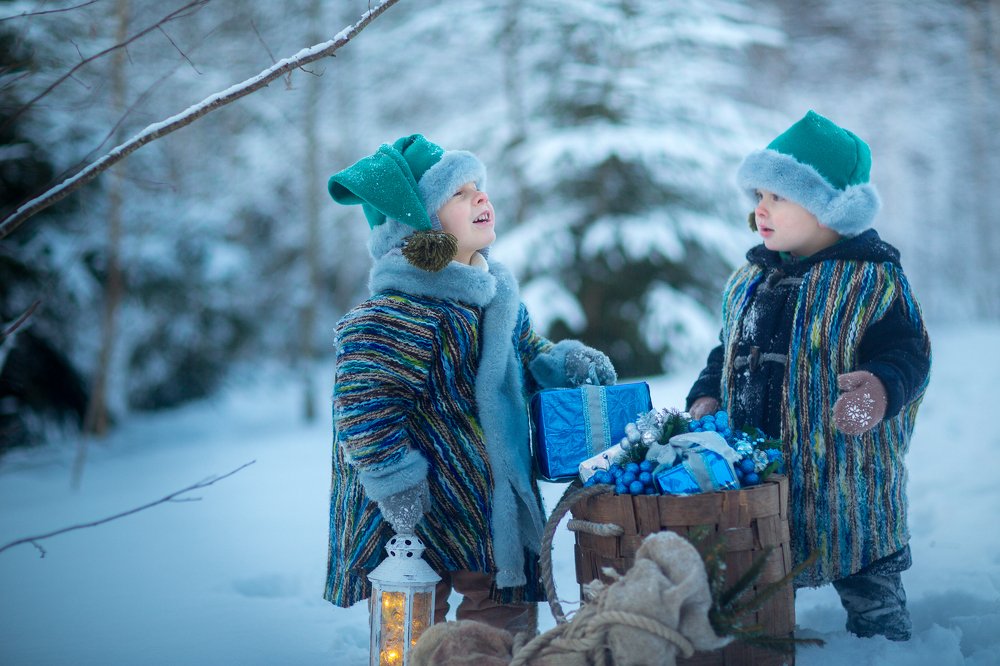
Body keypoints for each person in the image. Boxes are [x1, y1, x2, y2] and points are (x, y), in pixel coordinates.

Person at [323, 134, 617, 634]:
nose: (481, 197)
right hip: (418, 510)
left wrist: (566, 364)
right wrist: (396, 483)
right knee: (416, 627)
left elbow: (527, 353)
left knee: (503, 623)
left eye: (477, 187)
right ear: (417, 223)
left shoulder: (495, 296)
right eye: (458, 194)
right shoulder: (396, 316)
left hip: (489, 503)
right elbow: (364, 410)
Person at [685, 111, 931, 641]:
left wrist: (882, 386)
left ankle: (884, 637)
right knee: (760, 577)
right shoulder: (751, 277)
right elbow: (727, 350)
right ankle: (766, 637)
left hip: (847, 480)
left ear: (828, 209)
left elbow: (910, 351)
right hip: (760, 478)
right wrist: (707, 393)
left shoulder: (872, 281)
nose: (760, 209)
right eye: (758, 196)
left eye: (778, 197)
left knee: (868, 575)